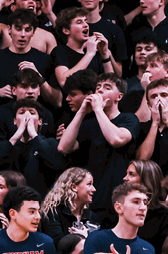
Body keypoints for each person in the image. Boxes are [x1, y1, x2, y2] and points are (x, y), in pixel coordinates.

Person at [57, 74, 139, 224]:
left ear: (119, 97)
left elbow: (116, 139)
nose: (100, 91)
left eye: (107, 88)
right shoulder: (89, 124)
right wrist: (82, 111)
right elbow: (64, 147)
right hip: (93, 198)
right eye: (98, 88)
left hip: (118, 197)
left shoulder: (129, 119)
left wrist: (98, 110)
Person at [39, 168, 97, 247]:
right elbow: (57, 244)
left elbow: (98, 246)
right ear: (73, 187)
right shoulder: (53, 212)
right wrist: (82, 238)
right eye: (89, 184)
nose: (94, 189)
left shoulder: (91, 216)